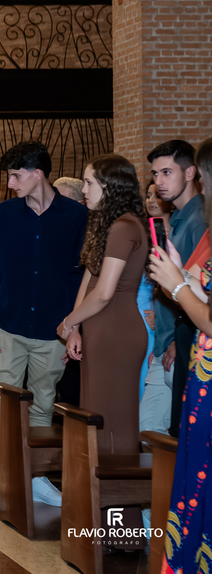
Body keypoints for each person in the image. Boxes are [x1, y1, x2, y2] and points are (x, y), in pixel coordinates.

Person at [0, 141, 87, 514]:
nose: (10, 182)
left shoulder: (75, 216)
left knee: (43, 404)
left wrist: (74, 325)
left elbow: (79, 277)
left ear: (38, 173)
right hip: (10, 325)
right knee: (4, 403)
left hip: (54, 329)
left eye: (16, 175)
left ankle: (35, 478)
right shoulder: (5, 214)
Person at [144, 137, 212, 567]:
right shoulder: (186, 220)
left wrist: (180, 284)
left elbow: (199, 305)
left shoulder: (198, 217)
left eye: (167, 172)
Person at [56, 155, 149, 454]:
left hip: (116, 332)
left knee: (113, 422)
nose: (84, 189)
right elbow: (90, 277)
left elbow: (104, 292)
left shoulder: (124, 226)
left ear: (110, 187)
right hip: (98, 330)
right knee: (94, 416)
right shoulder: (106, 223)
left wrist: (68, 321)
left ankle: (119, 500)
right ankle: (99, 495)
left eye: (89, 182)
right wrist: (76, 326)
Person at [148, 139, 206, 437]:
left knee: (179, 431)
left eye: (167, 172)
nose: (159, 182)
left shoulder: (198, 222)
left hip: (191, 334)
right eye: (155, 174)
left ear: (191, 173)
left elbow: (197, 289)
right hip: (178, 333)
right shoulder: (180, 218)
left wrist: (171, 340)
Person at [140, 180, 176, 433]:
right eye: (148, 195)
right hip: (155, 325)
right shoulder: (144, 232)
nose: (151, 199)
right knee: (150, 426)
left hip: (169, 327)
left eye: (156, 195)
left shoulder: (183, 229)